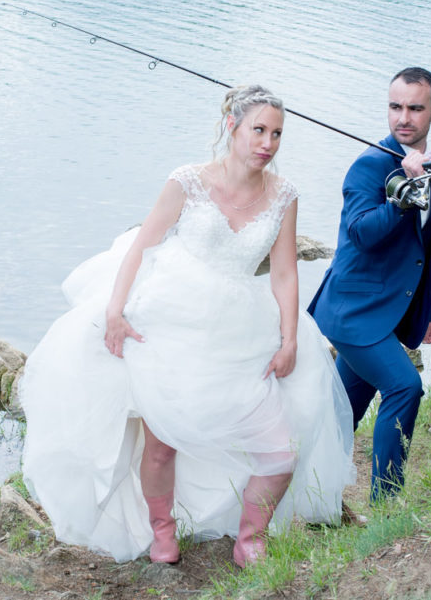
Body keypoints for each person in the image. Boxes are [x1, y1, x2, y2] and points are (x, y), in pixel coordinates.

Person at [20, 85, 355, 567]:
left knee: (279, 452)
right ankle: (162, 530)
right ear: (232, 126)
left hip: (241, 328)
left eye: (277, 134)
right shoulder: (188, 180)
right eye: (258, 130)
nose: (267, 143)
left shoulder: (284, 195)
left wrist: (289, 339)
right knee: (161, 448)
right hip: (172, 321)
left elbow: (283, 272)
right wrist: (115, 311)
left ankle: (250, 538)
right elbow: (142, 246)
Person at [308, 67, 431, 502]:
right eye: (395, 106)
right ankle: (387, 504)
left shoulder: (428, 168)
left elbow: (430, 248)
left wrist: (429, 313)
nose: (403, 117)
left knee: (340, 413)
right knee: (405, 387)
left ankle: (306, 489)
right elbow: (361, 233)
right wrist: (403, 195)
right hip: (352, 313)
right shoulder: (369, 166)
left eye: (415, 108)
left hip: (384, 313)